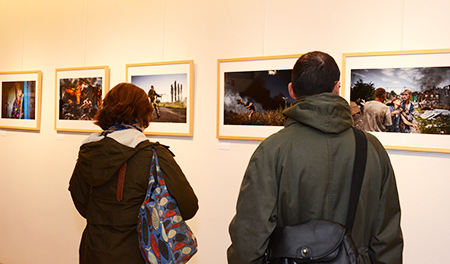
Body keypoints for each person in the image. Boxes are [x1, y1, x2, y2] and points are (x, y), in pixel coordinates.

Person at [227, 51, 403, 264]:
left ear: (292, 90)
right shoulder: (372, 148)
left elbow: (249, 240)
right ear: (337, 88)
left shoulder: (272, 150)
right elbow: (387, 238)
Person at [69, 83, 198, 264]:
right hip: (139, 253)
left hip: (93, 251)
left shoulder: (89, 152)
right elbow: (189, 206)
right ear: (144, 114)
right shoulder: (154, 155)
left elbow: (80, 200)